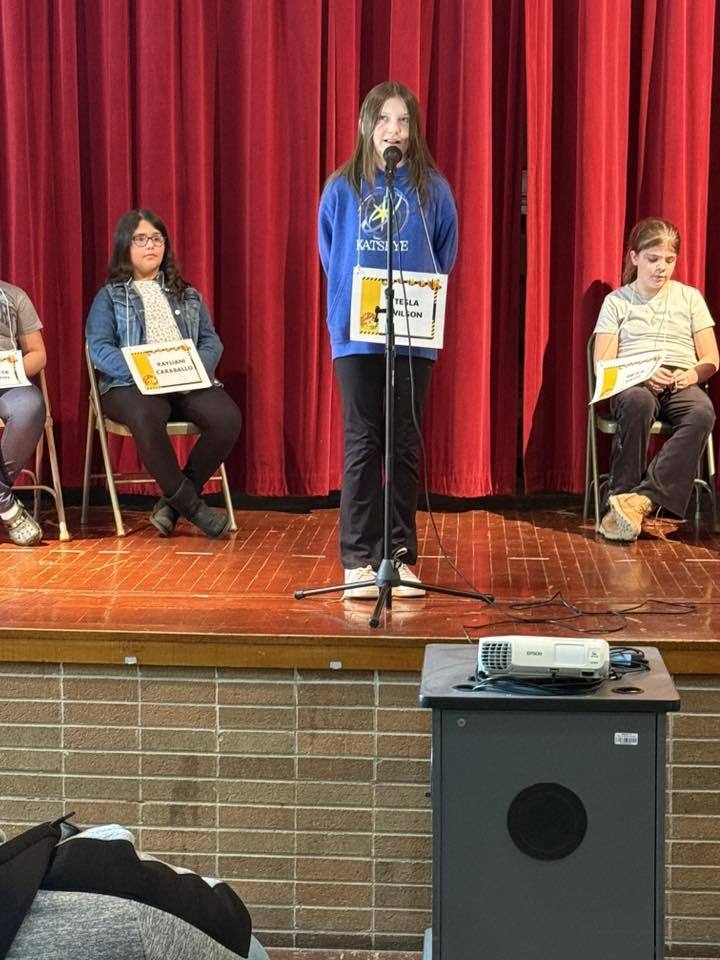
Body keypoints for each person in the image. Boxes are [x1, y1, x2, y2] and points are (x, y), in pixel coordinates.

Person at [318, 81, 457, 598]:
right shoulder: (342, 187)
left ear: (413, 130)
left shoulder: (433, 190)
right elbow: (331, 254)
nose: (393, 130)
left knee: (403, 444)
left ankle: (399, 556)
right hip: (356, 336)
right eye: (383, 120)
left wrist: (414, 301)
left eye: (402, 121)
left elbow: (446, 252)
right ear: (366, 127)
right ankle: (357, 560)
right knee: (363, 441)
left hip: (413, 331)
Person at [86, 209, 242, 538]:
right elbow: (99, 348)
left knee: (227, 417)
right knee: (146, 414)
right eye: (141, 239)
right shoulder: (110, 296)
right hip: (130, 385)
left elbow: (210, 341)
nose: (151, 246)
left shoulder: (189, 295)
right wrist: (144, 371)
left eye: (157, 239)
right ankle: (193, 506)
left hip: (183, 379)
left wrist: (194, 367)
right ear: (125, 247)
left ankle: (172, 505)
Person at [593, 217, 718, 541]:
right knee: (637, 402)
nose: (661, 267)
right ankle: (620, 495)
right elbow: (603, 365)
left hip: (680, 379)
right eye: (652, 259)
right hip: (634, 380)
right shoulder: (617, 301)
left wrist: (692, 373)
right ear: (635, 257)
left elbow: (711, 359)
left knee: (702, 412)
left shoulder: (690, 298)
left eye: (669, 260)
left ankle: (639, 501)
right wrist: (643, 372)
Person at [0, 281, 47, 546]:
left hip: (8, 381)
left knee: (31, 407)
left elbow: (38, 355)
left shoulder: (14, 296)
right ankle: (6, 506)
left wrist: (11, 368)